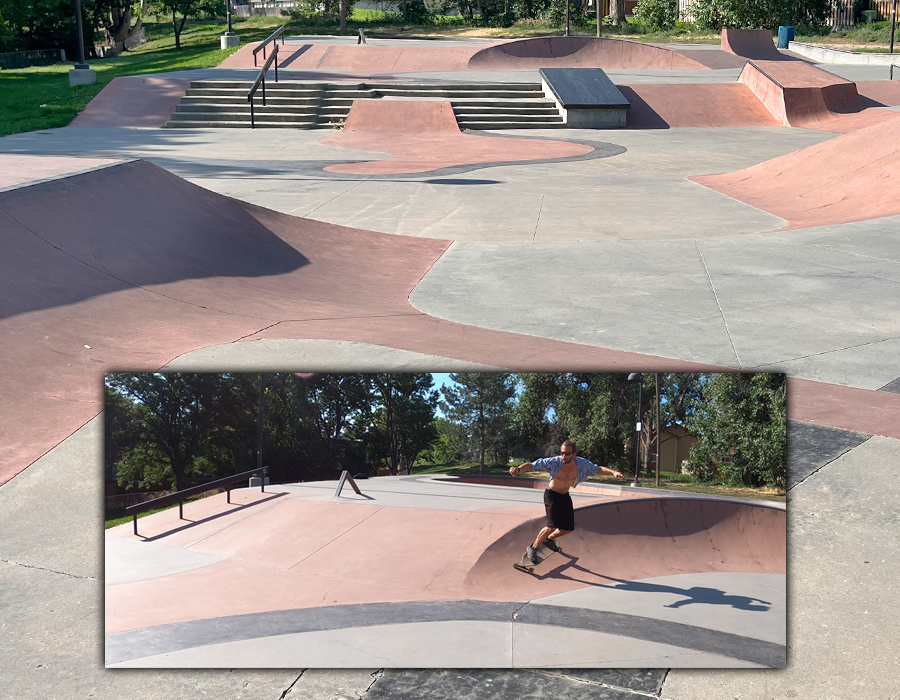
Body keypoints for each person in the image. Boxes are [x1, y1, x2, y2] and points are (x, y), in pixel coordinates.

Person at [509, 439, 624, 565]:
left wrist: (614, 472)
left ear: (574, 454)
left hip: (565, 496)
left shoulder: (582, 464)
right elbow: (533, 465)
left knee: (568, 528)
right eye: (562, 453)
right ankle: (533, 547)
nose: (564, 456)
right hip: (552, 495)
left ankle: (550, 539)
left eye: (567, 454)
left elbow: (598, 469)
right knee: (552, 525)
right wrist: (518, 469)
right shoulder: (555, 462)